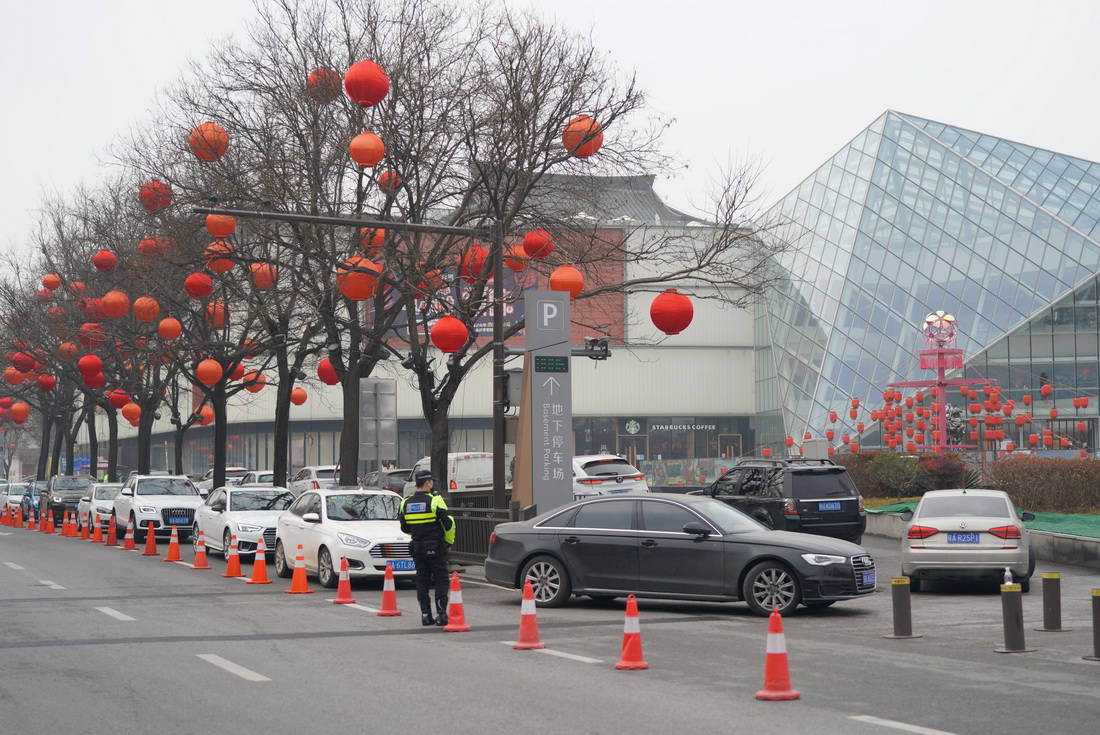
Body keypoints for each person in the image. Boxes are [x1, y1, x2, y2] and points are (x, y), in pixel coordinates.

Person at [399, 470, 456, 626]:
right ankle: (442, 614)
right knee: (441, 579)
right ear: (427, 483)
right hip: (435, 546)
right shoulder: (435, 500)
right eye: (432, 481)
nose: (433, 484)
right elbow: (449, 524)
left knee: (422, 580)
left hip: (417, 547)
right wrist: (449, 543)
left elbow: (404, 528)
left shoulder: (405, 503)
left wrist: (419, 531)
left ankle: (425, 615)